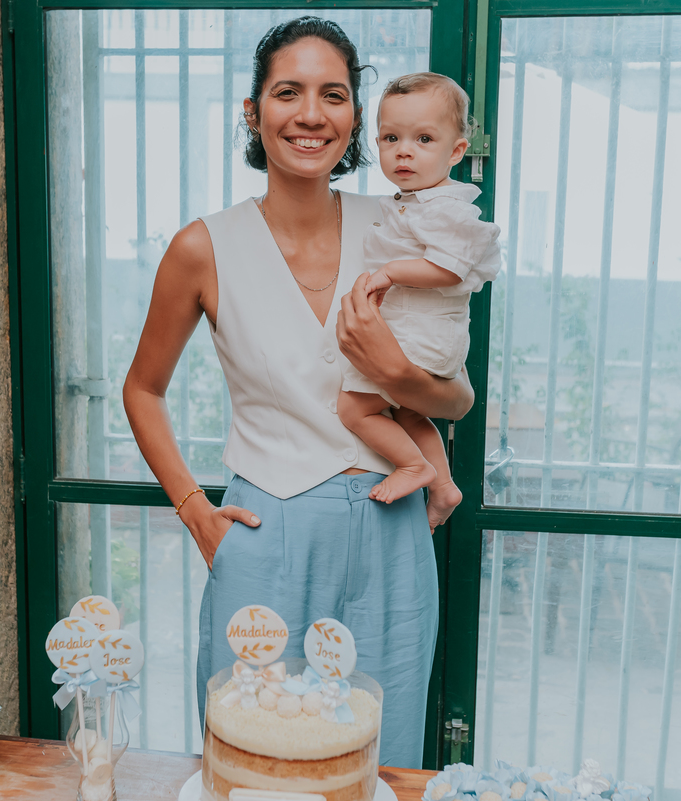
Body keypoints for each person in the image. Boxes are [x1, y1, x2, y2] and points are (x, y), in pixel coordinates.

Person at [122, 17, 473, 768]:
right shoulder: (202, 246)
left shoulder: (403, 227)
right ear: (254, 112)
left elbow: (457, 400)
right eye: (288, 92)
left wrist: (400, 372)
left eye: (334, 94)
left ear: (354, 117)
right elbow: (142, 390)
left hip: (392, 530)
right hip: (263, 530)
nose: (311, 114)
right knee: (254, 759)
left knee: (379, 760)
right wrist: (196, 512)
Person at [338, 73, 500, 531]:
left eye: (423, 139)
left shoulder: (445, 208)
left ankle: (414, 467)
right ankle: (444, 486)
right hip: (425, 335)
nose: (403, 150)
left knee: (355, 408)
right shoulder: (414, 202)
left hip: (421, 336)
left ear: (456, 152)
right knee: (407, 411)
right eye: (391, 138)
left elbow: (449, 268)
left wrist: (389, 271)